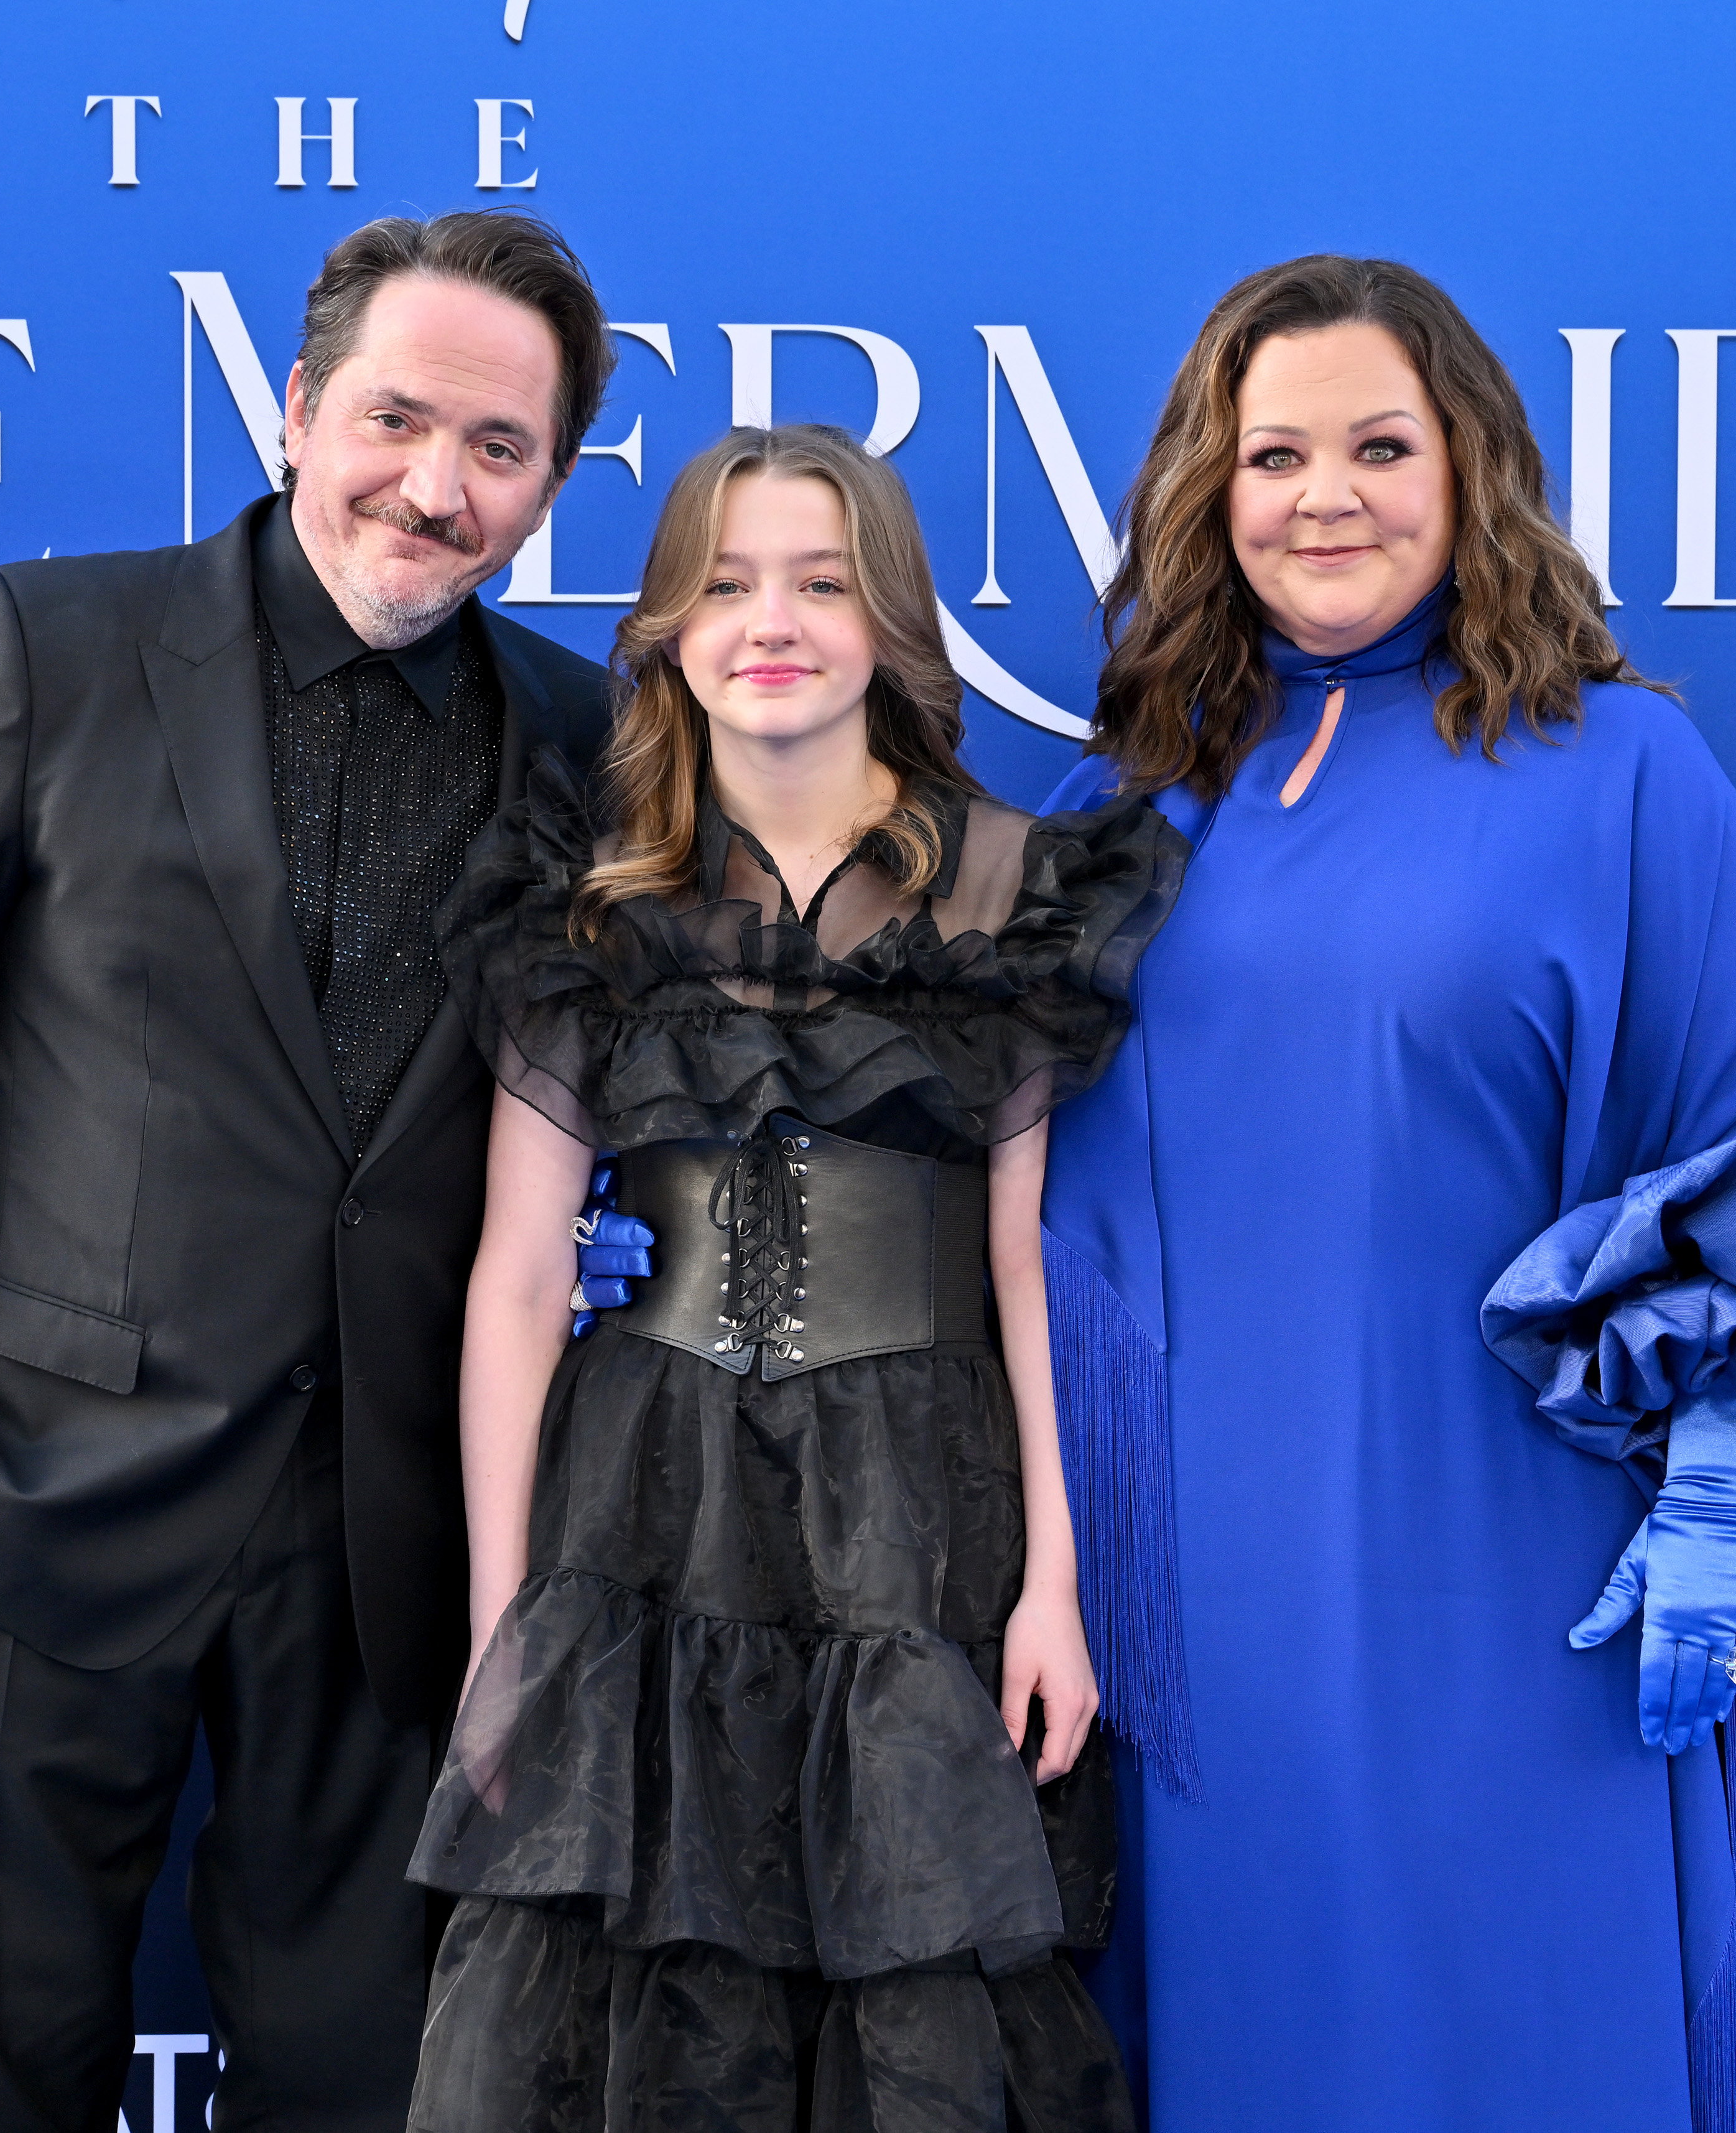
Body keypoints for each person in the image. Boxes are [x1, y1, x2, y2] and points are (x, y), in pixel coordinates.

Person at [1036, 258, 1736, 2131]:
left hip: (1521, 1576)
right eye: (1275, 455)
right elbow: (1029, 1194)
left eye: (1379, 446)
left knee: (1526, 2046)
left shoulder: (1622, 764)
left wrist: (1728, 1469)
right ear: (1206, 489)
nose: (1324, 497)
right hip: (1197, 1622)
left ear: (1472, 467)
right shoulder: (1131, 801)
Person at [0, 210, 622, 2133]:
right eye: (397, 419)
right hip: (25, 1499)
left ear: (553, 482)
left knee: (376, 2087)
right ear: (299, 408)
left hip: (393, 1559)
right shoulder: (46, 645)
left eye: (502, 450)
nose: (438, 485)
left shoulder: (587, 738)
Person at [402, 423, 1181, 2131]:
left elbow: (1023, 1265)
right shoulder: (590, 901)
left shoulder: (1008, 895)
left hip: (923, 1507)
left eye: (822, 582)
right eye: (730, 581)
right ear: (669, 627)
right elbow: (521, 1279)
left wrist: (1056, 1585)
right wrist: (498, 1629)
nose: (775, 620)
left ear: (891, 621)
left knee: (918, 1974)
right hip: (642, 1510)